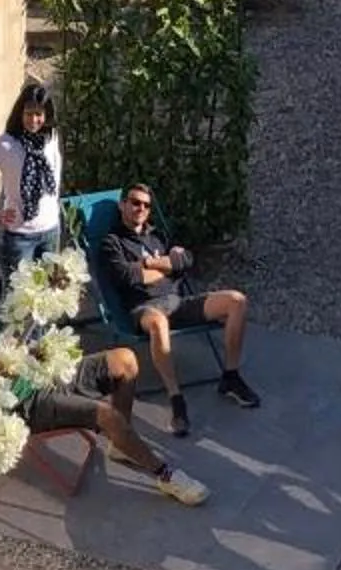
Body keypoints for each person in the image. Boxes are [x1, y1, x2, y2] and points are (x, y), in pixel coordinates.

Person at [0, 286, 209, 507]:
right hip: (28, 404)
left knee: (125, 360)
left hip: (46, 376)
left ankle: (121, 442)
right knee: (106, 414)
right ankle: (165, 475)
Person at [96, 184, 261, 436]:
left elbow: (186, 260)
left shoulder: (158, 236)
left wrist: (150, 263)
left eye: (146, 205)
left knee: (236, 301)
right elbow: (127, 276)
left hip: (177, 302)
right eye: (135, 202)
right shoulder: (112, 242)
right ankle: (176, 399)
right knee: (159, 323)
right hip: (144, 308)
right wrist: (167, 266)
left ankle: (230, 377)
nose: (141, 208)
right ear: (122, 205)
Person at [0, 81, 67, 304]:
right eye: (28, 113)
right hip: (19, 237)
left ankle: (38, 341)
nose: (33, 120)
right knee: (16, 305)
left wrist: (54, 211)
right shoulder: (6, 145)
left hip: (50, 232)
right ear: (20, 113)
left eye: (39, 114)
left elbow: (55, 175)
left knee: (44, 304)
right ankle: (5, 340)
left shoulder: (51, 137)